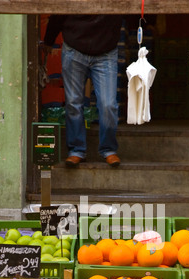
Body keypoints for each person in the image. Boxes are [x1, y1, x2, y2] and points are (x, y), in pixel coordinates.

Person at [43, 14, 123, 167]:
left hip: (106, 51)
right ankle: (76, 151)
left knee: (108, 104)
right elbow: (59, 11)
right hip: (74, 49)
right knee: (73, 103)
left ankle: (108, 149)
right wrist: (49, 40)